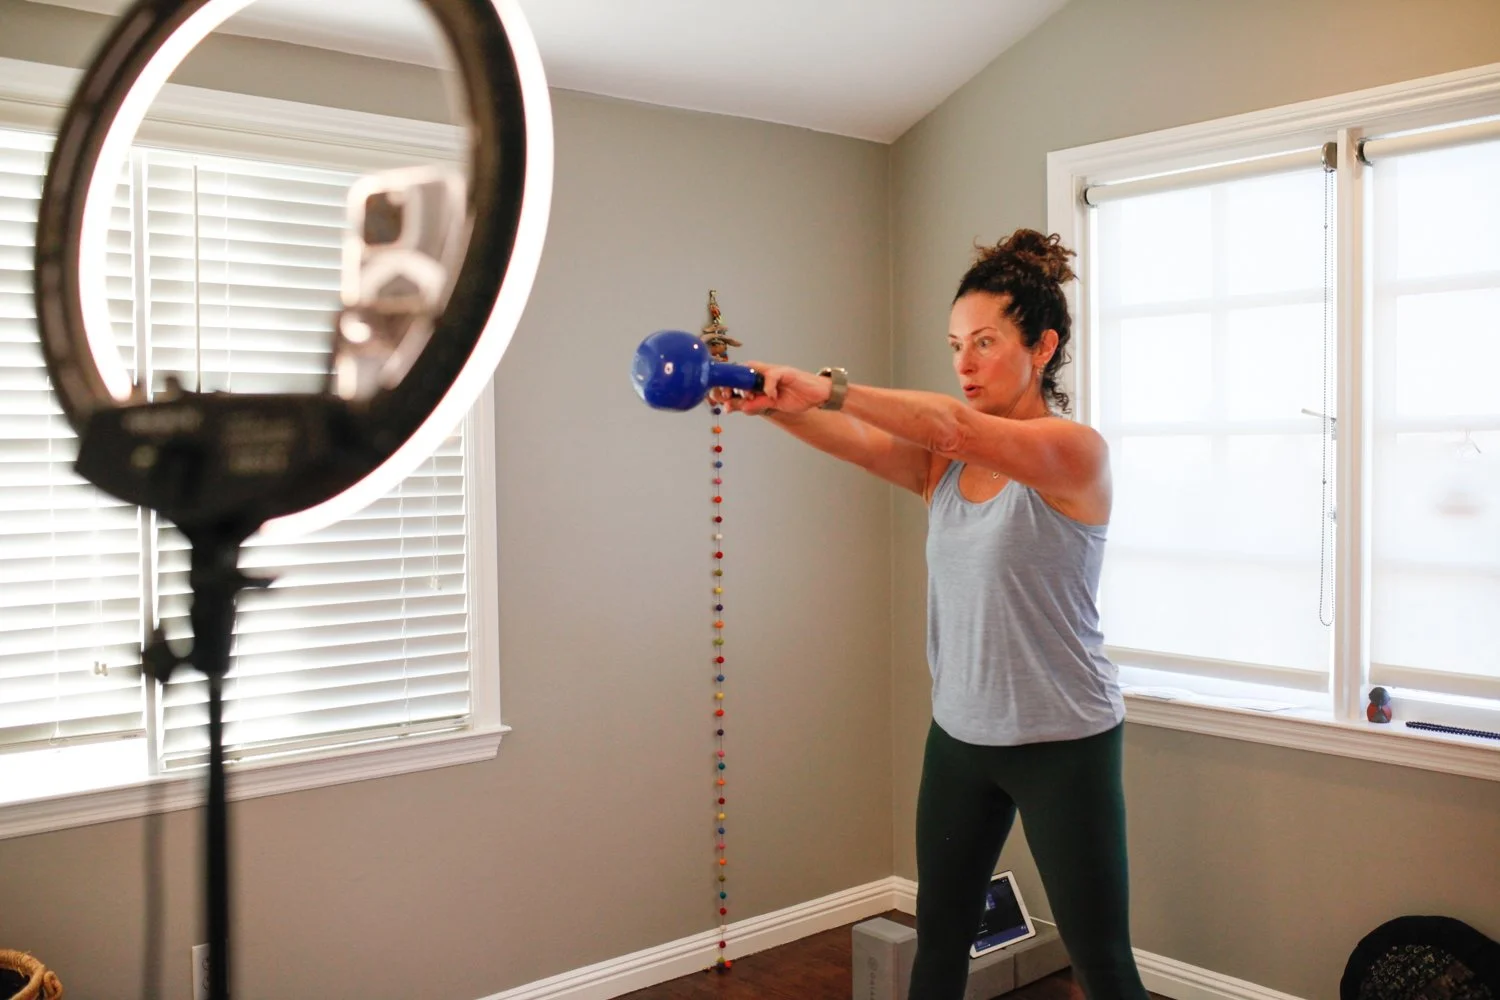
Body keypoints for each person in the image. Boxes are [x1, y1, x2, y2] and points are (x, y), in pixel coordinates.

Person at [713, 228, 1149, 1000]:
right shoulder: (946, 469)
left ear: (1043, 346)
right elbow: (857, 441)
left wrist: (827, 384)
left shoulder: (1075, 454)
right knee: (938, 943)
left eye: (985, 342)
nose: (964, 362)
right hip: (961, 738)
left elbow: (947, 422)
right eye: (955, 345)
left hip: (1064, 740)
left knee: (1104, 966)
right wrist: (771, 405)